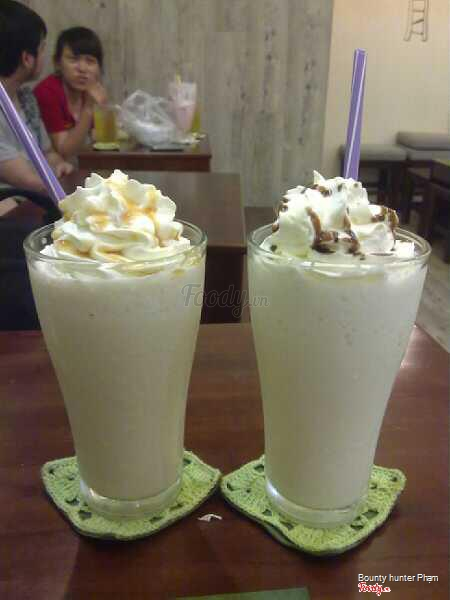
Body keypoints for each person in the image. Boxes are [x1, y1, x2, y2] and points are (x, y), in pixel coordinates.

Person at [0, 0, 73, 194]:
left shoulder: (26, 98)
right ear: (27, 58)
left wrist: (59, 164)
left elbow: (47, 152)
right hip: (15, 203)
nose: (44, 55)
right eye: (42, 48)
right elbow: (30, 180)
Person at [34, 27, 107, 160]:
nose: (82, 69)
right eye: (74, 59)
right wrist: (88, 109)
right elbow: (65, 151)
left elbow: (100, 140)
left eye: (90, 61)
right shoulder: (47, 91)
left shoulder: (91, 91)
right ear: (57, 63)